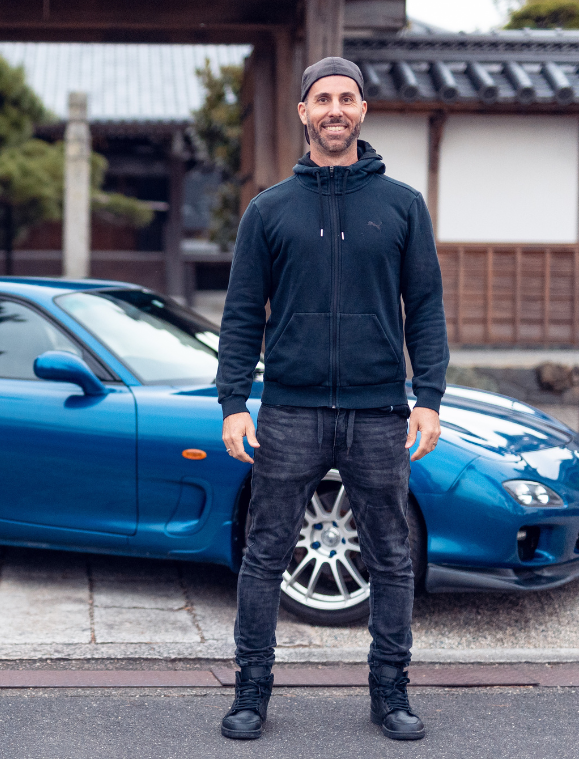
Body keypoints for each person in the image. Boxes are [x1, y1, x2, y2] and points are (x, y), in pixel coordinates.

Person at [215, 57, 448, 742]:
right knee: (263, 554)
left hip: (380, 412)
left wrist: (427, 394)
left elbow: (426, 308)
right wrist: (234, 401)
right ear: (304, 113)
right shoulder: (268, 210)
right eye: (323, 99)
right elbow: (240, 313)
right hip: (289, 411)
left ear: (363, 111)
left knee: (391, 557)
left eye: (347, 98)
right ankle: (251, 690)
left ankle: (391, 692)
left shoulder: (403, 205)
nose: (335, 109)